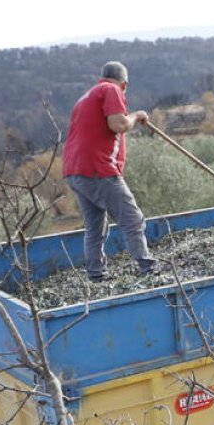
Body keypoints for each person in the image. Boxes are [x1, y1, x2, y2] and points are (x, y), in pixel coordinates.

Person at [62, 61, 156, 281]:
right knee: (133, 220)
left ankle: (96, 275)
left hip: (75, 171)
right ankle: (148, 270)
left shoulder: (86, 97)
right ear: (125, 84)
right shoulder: (111, 90)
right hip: (98, 169)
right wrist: (136, 116)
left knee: (95, 227)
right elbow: (118, 125)